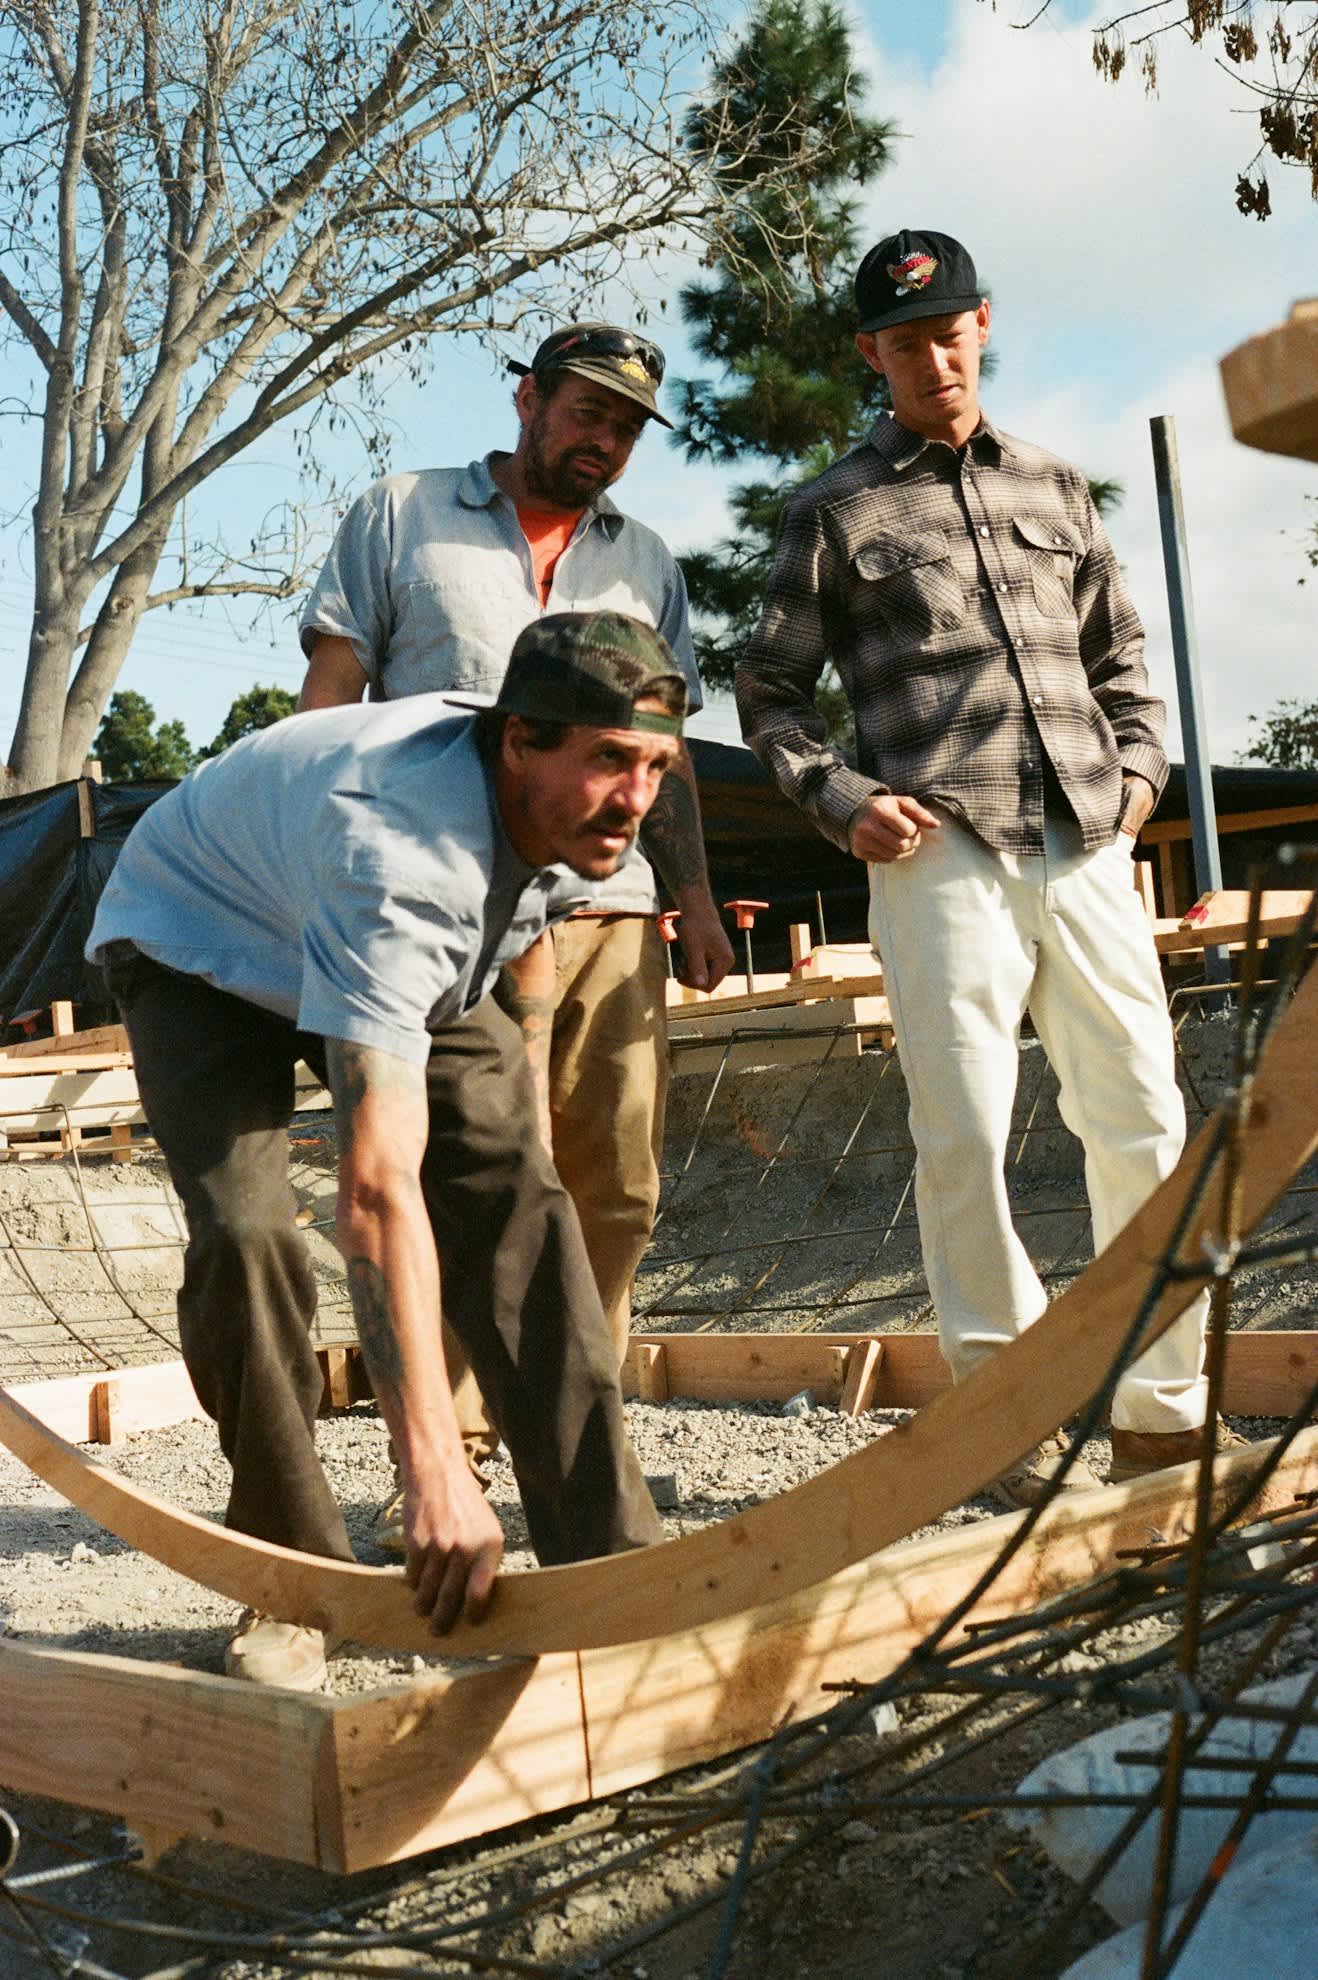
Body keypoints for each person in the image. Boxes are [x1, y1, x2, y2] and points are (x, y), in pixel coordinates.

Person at [86, 612, 682, 1687]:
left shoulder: (566, 808)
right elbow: (374, 1193)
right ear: (518, 743)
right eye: (607, 761)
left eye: (653, 766)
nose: (635, 798)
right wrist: (433, 1472)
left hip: (353, 925)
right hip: (203, 939)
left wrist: (520, 1120)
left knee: (522, 1199)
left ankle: (607, 1557)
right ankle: (289, 1579)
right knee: (250, 1233)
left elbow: (529, 926)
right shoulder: (399, 861)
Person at [737, 228, 1229, 1506]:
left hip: (1087, 844)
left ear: (984, 327)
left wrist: (1134, 786)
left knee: (1143, 1122)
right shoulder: (833, 509)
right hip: (938, 850)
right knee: (962, 1132)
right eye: (904, 340)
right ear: (872, 353)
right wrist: (842, 802)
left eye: (949, 331)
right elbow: (769, 692)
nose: (931, 355)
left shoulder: (1060, 488)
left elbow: (1125, 662)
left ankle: (1163, 1414)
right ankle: (1001, 1422)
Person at [298, 323, 733, 1497]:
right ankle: (450, 1443)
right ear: (529, 400)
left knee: (614, 1179)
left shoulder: (644, 558)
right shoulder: (401, 512)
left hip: (610, 906)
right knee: (476, 1174)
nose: (606, 438)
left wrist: (690, 899)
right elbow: (331, 696)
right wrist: (321, 866)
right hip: (451, 902)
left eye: (630, 425)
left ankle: (577, 1427)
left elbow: (666, 748)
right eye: (587, 411)